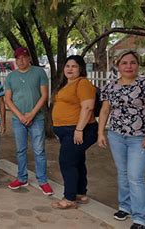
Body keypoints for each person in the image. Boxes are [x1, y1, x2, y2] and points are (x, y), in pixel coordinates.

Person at [98, 50, 145, 229]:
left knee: (135, 176)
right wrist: (101, 133)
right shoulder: (111, 86)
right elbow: (105, 111)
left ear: (138, 65)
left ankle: (140, 219)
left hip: (140, 138)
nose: (128, 66)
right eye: (124, 63)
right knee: (123, 173)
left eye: (132, 62)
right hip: (116, 136)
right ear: (118, 66)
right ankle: (125, 206)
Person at [4, 47, 54, 196]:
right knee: (20, 150)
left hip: (36, 118)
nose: (21, 61)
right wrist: (20, 116)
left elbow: (44, 95)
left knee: (39, 150)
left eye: (24, 57)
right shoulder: (11, 77)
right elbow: (8, 99)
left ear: (29, 58)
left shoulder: (39, 72)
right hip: (18, 119)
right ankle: (22, 178)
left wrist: (31, 114)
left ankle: (43, 180)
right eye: (18, 58)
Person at [51, 55, 98, 209]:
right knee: (77, 161)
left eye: (74, 66)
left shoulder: (82, 83)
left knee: (67, 162)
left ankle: (69, 198)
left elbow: (88, 107)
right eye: (67, 66)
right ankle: (80, 193)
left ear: (81, 69)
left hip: (78, 129)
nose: (70, 69)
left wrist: (79, 129)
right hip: (67, 130)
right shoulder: (66, 84)